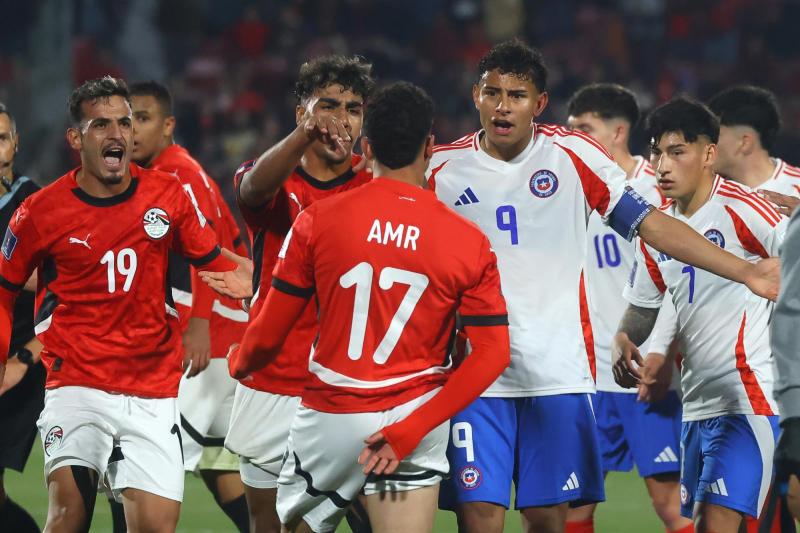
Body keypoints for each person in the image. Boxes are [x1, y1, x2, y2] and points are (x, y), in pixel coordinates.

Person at [427, 38, 779, 533]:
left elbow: (651, 225)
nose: (503, 106)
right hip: (476, 378)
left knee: (550, 522)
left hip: (559, 378)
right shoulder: (442, 169)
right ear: (475, 96)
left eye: (517, 95)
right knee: (479, 520)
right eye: (492, 93)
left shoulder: (572, 156)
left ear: (540, 104)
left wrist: (743, 270)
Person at [228, 80, 511, 533]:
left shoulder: (318, 220)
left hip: (331, 414)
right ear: (430, 146)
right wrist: (411, 428)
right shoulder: (467, 241)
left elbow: (267, 336)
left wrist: (240, 361)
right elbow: (493, 353)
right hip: (412, 413)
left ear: (367, 145)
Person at [0, 76, 240, 532]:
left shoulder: (168, 194)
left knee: (155, 528)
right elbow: (3, 287)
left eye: (124, 123)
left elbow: (209, 257)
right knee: (69, 515)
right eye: (100, 125)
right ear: (75, 138)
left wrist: (258, 279)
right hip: (77, 384)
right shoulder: (39, 211)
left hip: (151, 390)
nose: (116, 134)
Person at [215, 55, 374, 533]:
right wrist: (307, 133)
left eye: (352, 107)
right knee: (269, 524)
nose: (340, 118)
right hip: (275, 381)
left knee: (378, 521)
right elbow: (252, 191)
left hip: (351, 384)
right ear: (300, 112)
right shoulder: (272, 179)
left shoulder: (376, 186)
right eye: (327, 105)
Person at [614, 97, 785, 533]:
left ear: (709, 154)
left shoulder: (745, 209)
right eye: (656, 153)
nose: (661, 165)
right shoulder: (657, 233)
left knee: (717, 523)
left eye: (676, 152)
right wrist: (624, 337)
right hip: (697, 405)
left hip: (750, 397)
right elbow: (643, 307)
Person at [565, 84, 691, 533]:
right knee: (571, 508)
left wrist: (659, 354)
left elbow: (673, 284)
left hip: (644, 373)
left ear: (618, 131)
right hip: (588, 376)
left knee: (671, 506)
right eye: (570, 129)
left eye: (584, 128)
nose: (573, 137)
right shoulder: (572, 194)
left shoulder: (654, 193)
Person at [130, 80, 250, 532]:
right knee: (221, 467)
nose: (131, 131)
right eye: (126, 120)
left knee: (146, 465)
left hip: (213, 339)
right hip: (226, 336)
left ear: (168, 125)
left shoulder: (177, 173)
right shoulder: (165, 171)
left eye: (141, 119)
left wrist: (197, 325)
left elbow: (211, 250)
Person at [0, 102, 44, 533]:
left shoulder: (33, 204)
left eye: (0, 138)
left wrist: (24, 360)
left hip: (14, 364)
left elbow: (66, 294)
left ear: (15, 143)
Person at [708, 85, 800, 217]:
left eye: (714, 134)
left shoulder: (797, 186)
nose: (704, 144)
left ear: (745, 143)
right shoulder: (702, 193)